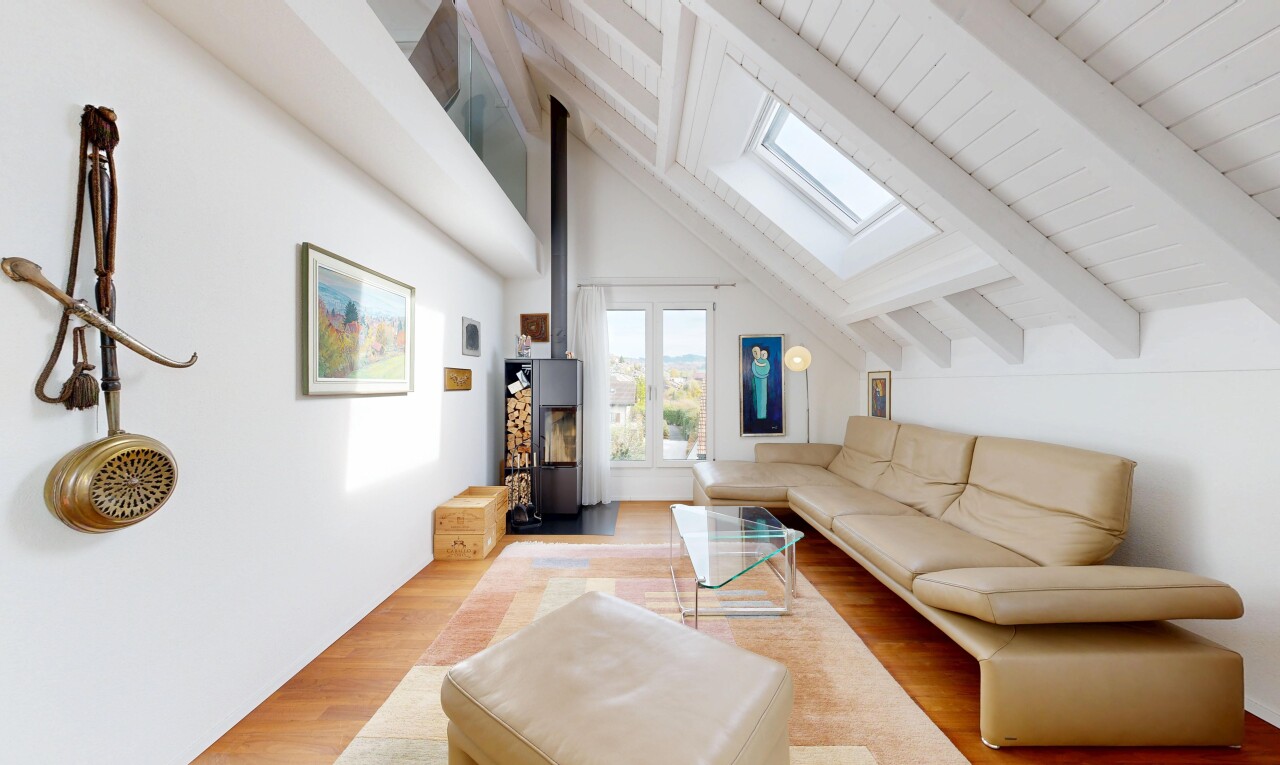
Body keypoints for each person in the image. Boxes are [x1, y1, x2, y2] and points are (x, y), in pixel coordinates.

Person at [751, 346, 771, 419]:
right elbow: (754, 371)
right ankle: (760, 415)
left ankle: (763, 415)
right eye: (754, 352)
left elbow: (767, 368)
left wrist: (763, 375)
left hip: (764, 379)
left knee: (763, 397)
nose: (756, 353)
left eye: (757, 351)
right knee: (759, 397)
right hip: (757, 380)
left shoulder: (765, 361)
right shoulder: (754, 362)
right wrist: (760, 375)